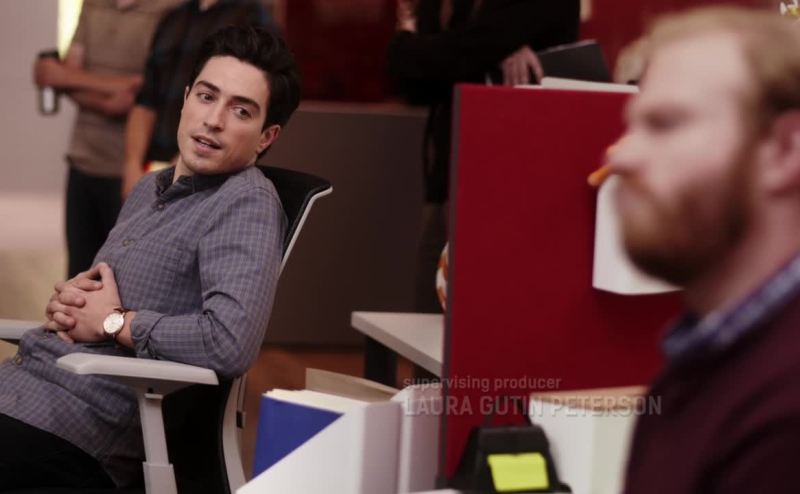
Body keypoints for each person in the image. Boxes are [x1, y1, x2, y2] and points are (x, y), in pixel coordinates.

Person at [0, 25, 300, 489]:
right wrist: (69, 306)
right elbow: (102, 299)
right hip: (22, 392)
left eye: (241, 110)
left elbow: (230, 341)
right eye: (207, 96)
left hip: (73, 431)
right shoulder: (148, 189)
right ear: (185, 100)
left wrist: (115, 323)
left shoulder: (246, 202)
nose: (214, 120)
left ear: (266, 136)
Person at [607, 7, 800, 493]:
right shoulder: (699, 366)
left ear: (784, 150)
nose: (620, 155)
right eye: (632, 126)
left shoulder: (786, 415)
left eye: (666, 124)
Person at [387, 0, 580, 312]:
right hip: (449, 175)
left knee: (485, 315)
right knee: (426, 315)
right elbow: (413, 81)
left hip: (518, 184)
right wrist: (477, 54)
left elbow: (466, 52)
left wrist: (408, 42)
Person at [33, 0, 182, 278]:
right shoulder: (93, 4)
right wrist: (108, 95)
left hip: (131, 170)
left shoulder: (169, 9)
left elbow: (148, 87)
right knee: (78, 273)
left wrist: (67, 77)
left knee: (122, 274)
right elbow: (61, 74)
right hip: (82, 158)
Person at [122, 0, 276, 199]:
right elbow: (146, 100)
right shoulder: (174, 17)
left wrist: (181, 168)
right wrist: (132, 165)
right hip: (150, 166)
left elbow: (259, 99)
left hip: (204, 176)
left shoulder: (252, 16)